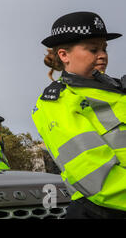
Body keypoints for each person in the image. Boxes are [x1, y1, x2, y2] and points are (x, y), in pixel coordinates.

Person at [32, 11, 126, 219]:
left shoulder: (116, 88)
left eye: (104, 48)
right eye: (93, 49)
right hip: (103, 211)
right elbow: (96, 177)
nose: (102, 54)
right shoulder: (58, 100)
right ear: (64, 55)